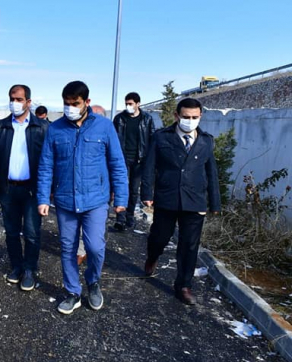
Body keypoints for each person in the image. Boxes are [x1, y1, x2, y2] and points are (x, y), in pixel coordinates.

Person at [37, 81, 128, 315]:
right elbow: (46, 165)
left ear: (86, 102)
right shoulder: (55, 129)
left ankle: (93, 281)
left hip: (95, 200)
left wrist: (121, 199)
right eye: (66, 104)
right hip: (66, 200)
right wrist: (42, 198)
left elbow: (117, 164)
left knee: (95, 247)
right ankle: (72, 292)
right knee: (67, 248)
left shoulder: (105, 127)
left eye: (75, 104)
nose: (70, 108)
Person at [141, 97, 220, 305]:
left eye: (194, 117)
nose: (190, 120)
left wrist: (215, 203)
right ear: (177, 116)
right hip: (167, 198)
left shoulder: (206, 141)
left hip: (195, 201)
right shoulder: (161, 138)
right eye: (186, 117)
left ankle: (183, 286)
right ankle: (152, 257)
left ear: (200, 116)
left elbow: (211, 173)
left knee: (189, 245)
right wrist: (147, 194)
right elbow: (149, 167)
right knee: (159, 237)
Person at [0, 85, 48, 292]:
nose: (14, 103)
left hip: (31, 190)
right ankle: (16, 266)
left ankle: (29, 269)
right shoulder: (0, 127)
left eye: (18, 99)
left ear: (28, 102)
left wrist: (49, 188)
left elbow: (49, 159)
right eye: (12, 99)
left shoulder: (42, 128)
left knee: (31, 232)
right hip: (8, 189)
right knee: (11, 231)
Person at [112, 92, 156, 232]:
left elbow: (152, 138)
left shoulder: (147, 119)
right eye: (126, 104)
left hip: (139, 160)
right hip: (122, 159)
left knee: (133, 190)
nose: (128, 106)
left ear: (138, 104)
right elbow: (113, 138)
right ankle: (120, 219)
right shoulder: (119, 119)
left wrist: (149, 158)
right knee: (121, 187)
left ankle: (129, 217)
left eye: (131, 104)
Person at [75, 104, 109, 266]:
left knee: (97, 226)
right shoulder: (80, 135)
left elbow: (116, 165)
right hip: (80, 189)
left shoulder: (109, 135)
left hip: (101, 191)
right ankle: (81, 251)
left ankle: (92, 248)